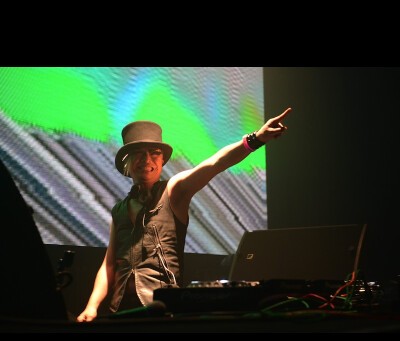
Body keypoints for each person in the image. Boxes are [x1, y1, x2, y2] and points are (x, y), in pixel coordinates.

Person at [76, 107, 292, 322]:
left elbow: (215, 164)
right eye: (139, 153)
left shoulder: (174, 191)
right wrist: (91, 306)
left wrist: (256, 139)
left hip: (161, 310)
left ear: (162, 160)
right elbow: (109, 265)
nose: (147, 160)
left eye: (154, 153)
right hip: (122, 312)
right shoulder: (119, 210)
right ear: (127, 162)